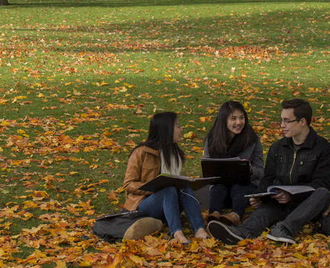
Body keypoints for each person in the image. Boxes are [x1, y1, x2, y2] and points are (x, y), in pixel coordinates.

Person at [208, 99, 330, 245]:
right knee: (266, 209)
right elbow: (268, 179)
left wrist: (292, 196)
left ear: (302, 122)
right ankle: (241, 232)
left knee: (323, 192)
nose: (281, 125)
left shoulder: (322, 148)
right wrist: (261, 196)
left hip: (307, 203)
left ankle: (284, 229)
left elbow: (321, 182)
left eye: (286, 121)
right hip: (280, 201)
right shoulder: (278, 148)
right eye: (281, 120)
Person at [123, 112, 209, 244]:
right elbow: (128, 184)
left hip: (171, 202)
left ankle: (199, 230)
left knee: (184, 186)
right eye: (178, 126)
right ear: (166, 130)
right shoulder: (141, 152)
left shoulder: (175, 153)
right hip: (145, 203)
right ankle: (176, 233)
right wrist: (152, 187)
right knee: (168, 189)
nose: (181, 129)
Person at [204, 101, 264, 226]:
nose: (238, 122)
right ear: (224, 120)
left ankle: (235, 216)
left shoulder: (252, 139)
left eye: (241, 118)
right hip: (220, 192)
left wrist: (251, 170)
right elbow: (208, 173)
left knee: (239, 186)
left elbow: (261, 172)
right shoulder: (212, 140)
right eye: (233, 118)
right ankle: (213, 215)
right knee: (219, 187)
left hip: (244, 191)